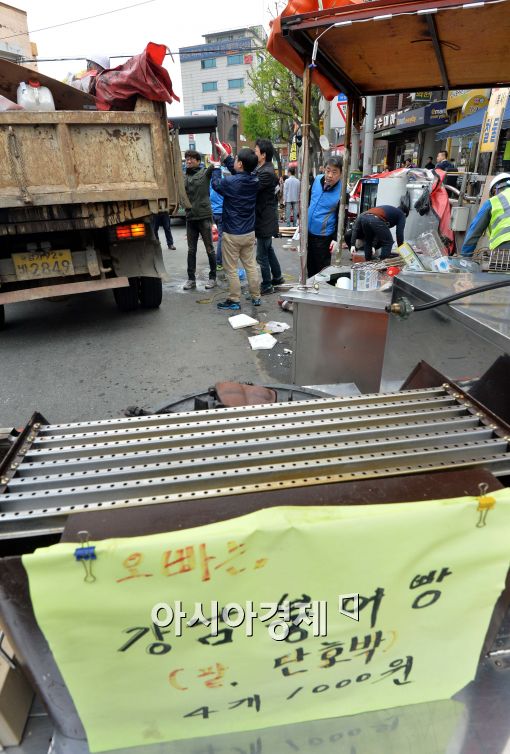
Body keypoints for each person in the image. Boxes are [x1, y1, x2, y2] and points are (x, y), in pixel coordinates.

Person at [211, 143, 261, 311]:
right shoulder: (254, 179)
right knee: (250, 265)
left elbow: (217, 184)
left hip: (232, 232)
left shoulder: (231, 182)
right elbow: (239, 174)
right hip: (249, 232)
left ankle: (234, 299)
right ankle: (256, 297)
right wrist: (226, 156)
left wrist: (217, 167)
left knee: (231, 268)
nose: (235, 161)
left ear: (240, 164)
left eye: (237, 159)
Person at [182, 149, 216, 291]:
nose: (188, 161)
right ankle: (191, 279)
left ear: (198, 161)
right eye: (187, 159)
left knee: (209, 249)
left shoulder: (205, 173)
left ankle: (212, 278)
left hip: (204, 217)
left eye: (191, 158)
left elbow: (215, 165)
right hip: (191, 218)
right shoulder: (184, 177)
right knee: (191, 250)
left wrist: (219, 153)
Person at [254, 138, 285, 295]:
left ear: (263, 155)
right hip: (265, 218)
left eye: (256, 151)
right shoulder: (263, 169)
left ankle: (266, 284)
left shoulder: (265, 173)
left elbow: (252, 187)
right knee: (268, 249)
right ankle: (278, 277)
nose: (254, 153)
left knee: (261, 255)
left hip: (264, 219)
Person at [307, 157, 343, 277]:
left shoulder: (342, 193)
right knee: (309, 265)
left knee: (321, 269)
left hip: (323, 237)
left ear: (341, 174)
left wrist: (336, 239)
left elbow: (341, 218)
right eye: (328, 170)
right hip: (309, 232)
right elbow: (308, 201)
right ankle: (310, 289)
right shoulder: (317, 180)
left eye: (334, 172)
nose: (330, 175)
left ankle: (320, 291)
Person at [461, 173, 510, 257]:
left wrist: (464, 257)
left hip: (505, 249)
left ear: (496, 189)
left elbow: (474, 232)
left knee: (499, 268)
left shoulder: (493, 201)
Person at [210, 181, 224, 269]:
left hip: (212, 212)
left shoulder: (210, 181)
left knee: (210, 238)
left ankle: (212, 261)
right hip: (221, 212)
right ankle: (219, 262)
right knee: (221, 238)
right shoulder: (223, 180)